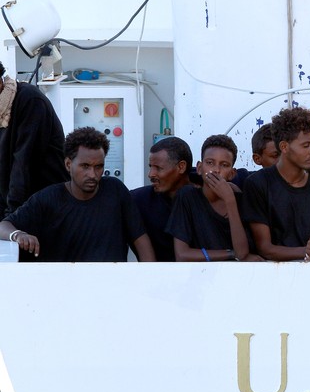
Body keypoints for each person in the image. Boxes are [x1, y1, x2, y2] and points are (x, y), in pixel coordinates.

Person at [0, 127, 155, 262]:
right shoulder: (48, 199)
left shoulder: (115, 190)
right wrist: (17, 235)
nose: (92, 174)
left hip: (112, 287)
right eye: (85, 166)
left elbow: (140, 239)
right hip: (65, 288)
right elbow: (3, 226)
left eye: (98, 167)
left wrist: (150, 280)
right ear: (68, 164)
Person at [242, 107, 310, 261]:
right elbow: (265, 248)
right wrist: (306, 251)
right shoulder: (257, 184)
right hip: (274, 277)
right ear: (284, 147)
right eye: (306, 145)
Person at [167, 134, 259, 262]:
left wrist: (230, 200)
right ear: (199, 168)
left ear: (232, 174)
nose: (216, 170)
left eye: (224, 165)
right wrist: (231, 253)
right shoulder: (187, 197)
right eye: (210, 163)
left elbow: (242, 253)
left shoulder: (240, 200)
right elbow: (182, 255)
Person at [0, 61, 67, 216]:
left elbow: (24, 164)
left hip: (45, 208)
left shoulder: (29, 100)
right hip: (15, 206)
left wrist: (11, 219)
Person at [131, 137, 192, 261]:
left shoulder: (207, 197)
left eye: (158, 168)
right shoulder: (138, 200)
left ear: (181, 167)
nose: (151, 174)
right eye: (150, 167)